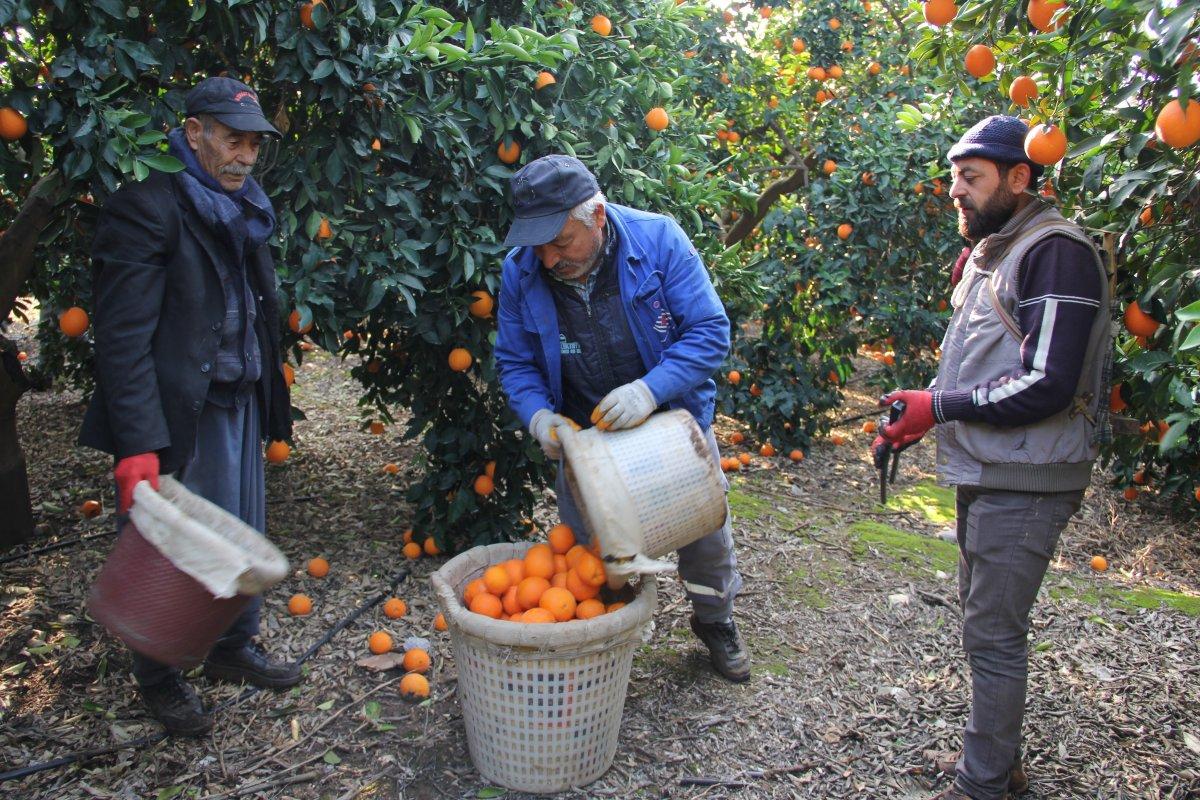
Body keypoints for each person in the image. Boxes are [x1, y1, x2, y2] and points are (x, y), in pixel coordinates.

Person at [874, 116, 1111, 800]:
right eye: (954, 177)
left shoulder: (1055, 252)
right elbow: (991, 365)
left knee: (995, 633)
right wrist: (921, 413)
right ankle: (995, 764)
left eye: (971, 178)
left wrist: (939, 407)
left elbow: (1048, 381)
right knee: (986, 622)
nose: (956, 191)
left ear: (1019, 177)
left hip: (1030, 477)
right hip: (996, 466)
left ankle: (984, 786)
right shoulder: (1000, 253)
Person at [78, 77, 299, 737]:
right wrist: (139, 440)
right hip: (180, 408)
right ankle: (161, 677)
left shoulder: (246, 206)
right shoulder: (148, 208)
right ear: (194, 130)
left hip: (237, 396)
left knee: (237, 534)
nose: (245, 156)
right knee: (172, 551)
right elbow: (121, 338)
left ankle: (232, 649)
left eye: (254, 144)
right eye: (233, 140)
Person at [494, 154, 750, 683]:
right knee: (591, 554)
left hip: (670, 426)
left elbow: (708, 332)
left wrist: (648, 390)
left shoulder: (657, 241)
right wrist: (540, 416)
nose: (547, 258)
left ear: (598, 218)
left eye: (560, 243)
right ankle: (600, 642)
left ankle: (715, 620)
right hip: (585, 439)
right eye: (537, 245)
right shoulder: (521, 271)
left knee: (704, 538)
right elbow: (515, 362)